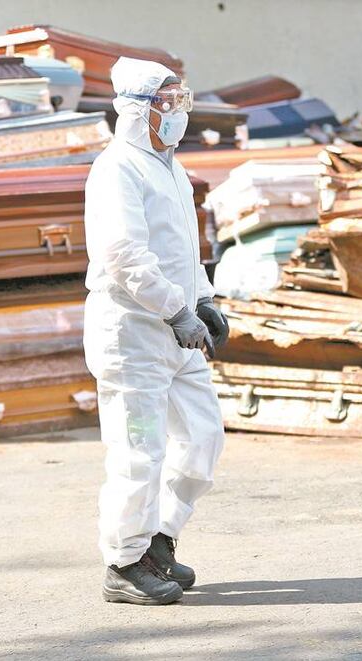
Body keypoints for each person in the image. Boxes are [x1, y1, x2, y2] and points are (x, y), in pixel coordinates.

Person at [83, 56, 229, 606]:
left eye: (181, 101)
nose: (177, 113)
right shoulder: (117, 167)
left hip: (177, 328)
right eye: (167, 103)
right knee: (137, 452)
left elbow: (182, 248)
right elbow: (125, 256)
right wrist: (177, 310)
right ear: (137, 109)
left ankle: (158, 541)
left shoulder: (168, 166)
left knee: (202, 437)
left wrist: (204, 299)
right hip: (133, 331)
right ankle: (123, 563)